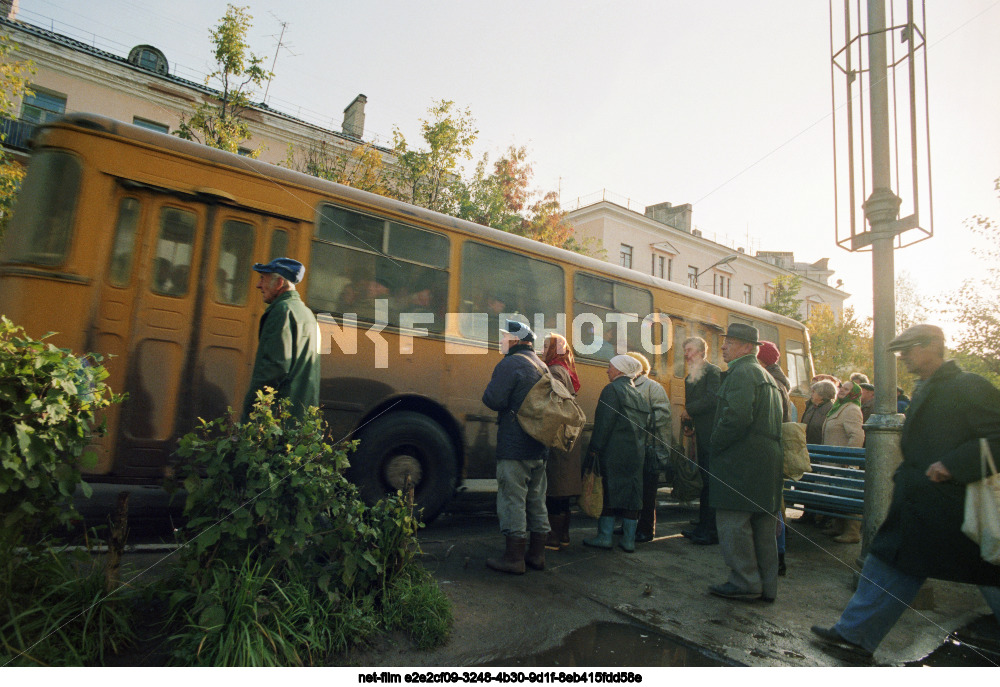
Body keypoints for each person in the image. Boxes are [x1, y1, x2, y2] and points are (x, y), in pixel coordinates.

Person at [811, 324, 1000, 659]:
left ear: (933, 346)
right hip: (923, 503)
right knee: (889, 562)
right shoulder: (929, 386)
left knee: (990, 570)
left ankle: (854, 635)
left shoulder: (968, 385)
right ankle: (853, 636)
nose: (904, 357)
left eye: (910, 349)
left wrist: (954, 464)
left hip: (955, 506)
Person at [707, 323, 784, 602]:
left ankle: (744, 582)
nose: (724, 346)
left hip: (741, 460)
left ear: (747, 348)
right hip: (765, 461)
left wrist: (714, 443)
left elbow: (736, 418)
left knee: (733, 522)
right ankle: (766, 586)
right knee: (763, 526)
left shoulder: (742, 372)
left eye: (731, 342)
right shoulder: (765, 375)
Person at [483, 320, 549, 574]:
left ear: (517, 341)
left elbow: (493, 399)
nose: (501, 341)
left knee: (513, 499)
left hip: (515, 445)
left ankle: (513, 558)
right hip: (539, 447)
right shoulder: (542, 365)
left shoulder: (511, 364)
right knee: (536, 500)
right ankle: (537, 555)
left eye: (504, 337)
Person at [582, 354, 649, 553]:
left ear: (619, 370)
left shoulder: (612, 390)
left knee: (608, 492)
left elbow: (604, 424)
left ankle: (604, 537)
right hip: (636, 454)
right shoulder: (639, 394)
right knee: (631, 496)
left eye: (610, 367)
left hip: (613, 452)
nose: (607, 370)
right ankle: (628, 541)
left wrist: (594, 449)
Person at [241, 258, 320, 422]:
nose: (258, 285)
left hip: (277, 420)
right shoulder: (306, 313)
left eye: (263, 278)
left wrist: (250, 411)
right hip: (299, 419)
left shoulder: (281, 311)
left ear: (279, 283)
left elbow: (273, 368)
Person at [541, 333, 583, 551]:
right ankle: (563, 535)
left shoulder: (555, 371)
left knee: (556, 490)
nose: (541, 349)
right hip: (566, 438)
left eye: (546, 345)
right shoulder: (565, 369)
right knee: (563, 492)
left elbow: (554, 405)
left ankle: (553, 537)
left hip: (558, 438)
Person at [626, 351, 673, 544]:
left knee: (647, 491)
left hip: (648, 448)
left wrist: (637, 420)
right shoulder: (626, 385)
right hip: (632, 446)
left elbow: (663, 415)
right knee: (631, 488)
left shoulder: (653, 387)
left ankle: (646, 529)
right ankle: (629, 523)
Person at [680, 337, 722, 546]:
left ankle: (711, 530)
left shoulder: (712, 372)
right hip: (701, 434)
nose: (686, 354)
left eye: (689, 350)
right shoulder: (690, 376)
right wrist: (689, 425)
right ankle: (702, 526)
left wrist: (690, 411)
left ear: (700, 352)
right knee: (705, 482)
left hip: (712, 435)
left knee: (711, 483)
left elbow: (713, 399)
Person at [757, 341, 791, 576]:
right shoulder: (777, 380)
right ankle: (775, 556)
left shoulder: (772, 383)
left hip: (768, 450)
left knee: (772, 504)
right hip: (772, 448)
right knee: (773, 503)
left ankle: (776, 557)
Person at [820, 380, 866, 543]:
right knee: (838, 492)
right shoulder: (838, 407)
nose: (842, 391)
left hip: (843, 461)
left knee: (848, 494)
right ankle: (839, 526)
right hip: (833, 460)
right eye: (842, 388)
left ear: (853, 394)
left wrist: (848, 458)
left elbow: (857, 435)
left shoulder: (852, 409)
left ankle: (852, 532)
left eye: (847, 389)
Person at [801, 380, 837, 444]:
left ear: (822, 395)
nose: (811, 395)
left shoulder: (830, 410)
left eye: (813, 392)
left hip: (820, 448)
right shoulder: (811, 407)